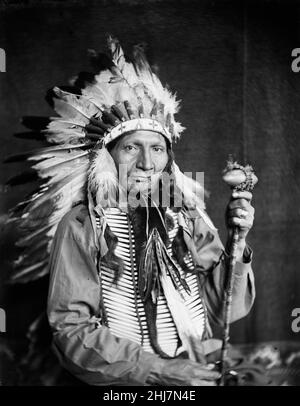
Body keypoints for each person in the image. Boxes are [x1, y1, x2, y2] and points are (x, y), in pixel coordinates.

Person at [9, 37, 256, 386]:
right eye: (131, 148)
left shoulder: (186, 216)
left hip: (194, 373)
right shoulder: (82, 224)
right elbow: (70, 331)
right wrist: (158, 370)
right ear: (107, 157)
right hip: (126, 384)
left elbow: (225, 309)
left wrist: (237, 243)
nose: (146, 163)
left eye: (157, 148)